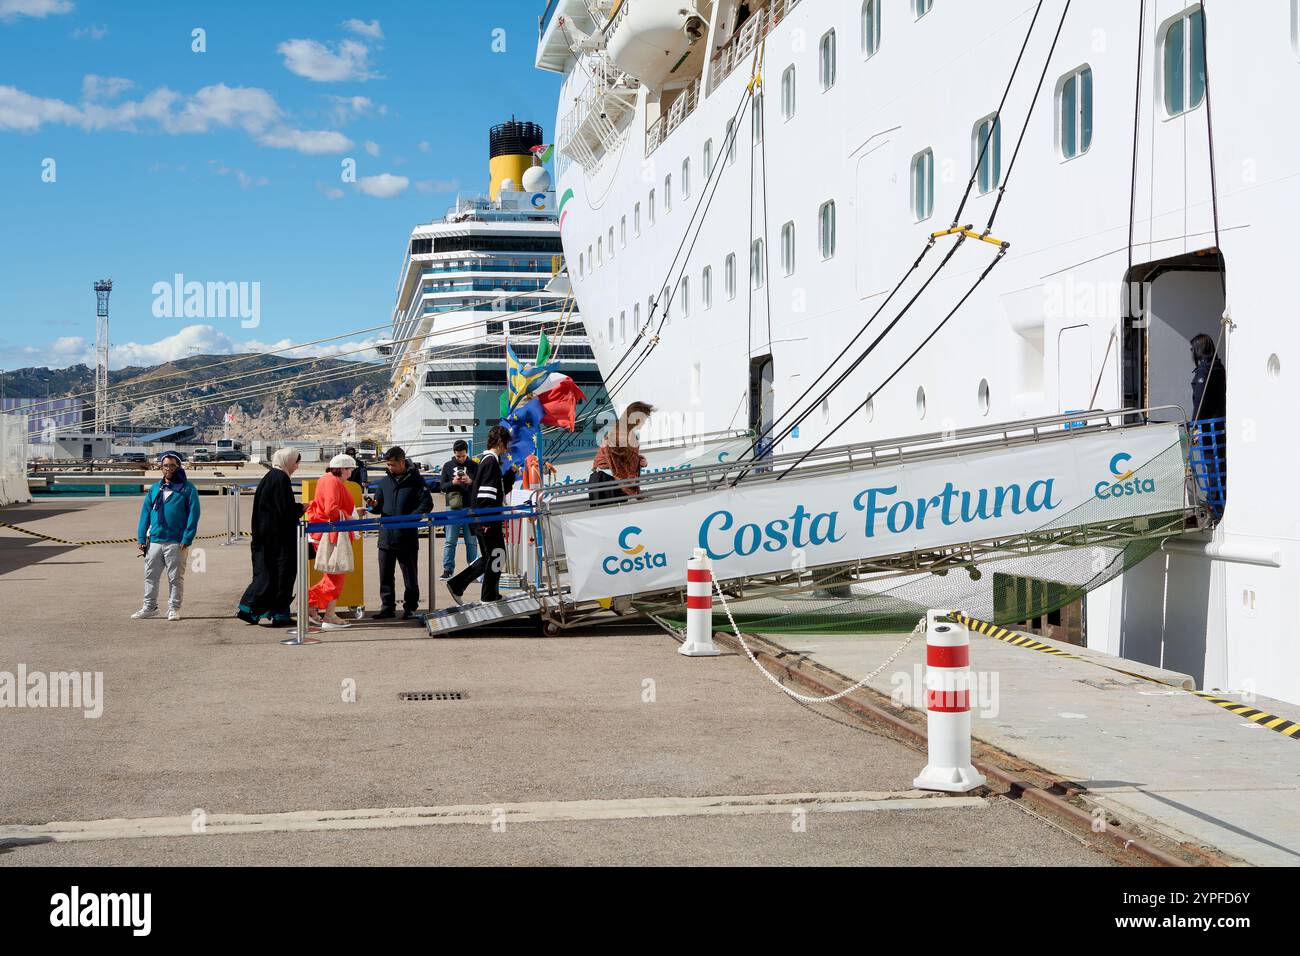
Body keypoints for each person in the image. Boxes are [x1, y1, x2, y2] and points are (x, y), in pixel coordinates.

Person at [448, 425, 517, 606]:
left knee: (490, 556)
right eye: (507, 443)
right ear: (501, 442)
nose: (508, 448)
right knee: (497, 554)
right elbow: (486, 495)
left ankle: (459, 585)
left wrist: (511, 474)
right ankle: (488, 594)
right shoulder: (490, 462)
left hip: (482, 518)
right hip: (487, 519)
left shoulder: (487, 461)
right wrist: (487, 521)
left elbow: (496, 490)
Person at [236, 448, 305, 627]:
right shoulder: (280, 479)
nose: (297, 466)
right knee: (283, 576)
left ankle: (250, 610)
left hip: (266, 538)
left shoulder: (270, 477)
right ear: (287, 461)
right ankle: (277, 614)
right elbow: (285, 510)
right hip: (279, 540)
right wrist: (302, 508)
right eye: (296, 462)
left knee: (266, 575)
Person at [131, 451, 201, 621]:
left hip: (176, 542)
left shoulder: (187, 489)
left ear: (178, 467)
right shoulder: (155, 489)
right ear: (161, 467)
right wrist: (141, 538)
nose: (168, 469)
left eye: (172, 465)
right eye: (165, 465)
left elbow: (194, 515)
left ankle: (173, 608)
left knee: (175, 578)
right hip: (155, 540)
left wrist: (187, 538)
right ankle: (149, 607)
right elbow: (145, 514)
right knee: (151, 576)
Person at [370, 446, 433, 620]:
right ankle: (387, 607)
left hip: (406, 537)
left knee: (410, 576)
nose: (390, 468)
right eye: (388, 465)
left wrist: (411, 519)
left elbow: (427, 504)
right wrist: (373, 506)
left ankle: (410, 608)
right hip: (386, 537)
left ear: (402, 462)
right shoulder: (384, 482)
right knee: (385, 576)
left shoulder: (416, 481)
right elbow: (378, 507)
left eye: (393, 465)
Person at [306, 453, 360, 630]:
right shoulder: (332, 481)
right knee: (336, 574)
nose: (351, 473)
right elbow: (331, 510)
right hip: (332, 534)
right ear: (342, 469)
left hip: (330, 533)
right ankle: (318, 609)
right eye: (349, 469)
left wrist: (350, 513)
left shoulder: (328, 480)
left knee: (335, 575)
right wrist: (350, 516)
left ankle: (320, 610)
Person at [1190, 332, 1228, 515]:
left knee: (1212, 466)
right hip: (1219, 426)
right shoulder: (1219, 367)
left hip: (1208, 428)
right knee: (1218, 465)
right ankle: (1218, 502)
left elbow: (1200, 401)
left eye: (1192, 349)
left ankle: (1216, 505)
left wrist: (1194, 425)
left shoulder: (1205, 370)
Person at [591, 400, 655, 499]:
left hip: (610, 480)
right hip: (608, 481)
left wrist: (640, 460)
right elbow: (618, 466)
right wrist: (635, 493)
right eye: (644, 418)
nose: (645, 422)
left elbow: (624, 460)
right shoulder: (620, 436)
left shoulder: (626, 433)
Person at [438, 439, 479, 579]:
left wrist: (470, 481)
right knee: (450, 540)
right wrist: (453, 482)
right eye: (457, 456)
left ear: (467, 452)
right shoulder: (448, 466)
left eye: (462, 456)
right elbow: (442, 487)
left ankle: (473, 570)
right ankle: (447, 569)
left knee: (471, 541)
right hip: (453, 507)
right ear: (454, 453)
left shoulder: (474, 466)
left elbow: (480, 486)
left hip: (470, 507)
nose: (460, 459)